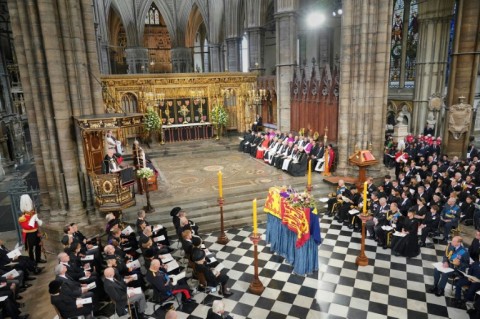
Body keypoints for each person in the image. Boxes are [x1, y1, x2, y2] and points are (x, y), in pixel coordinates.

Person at [18, 194, 46, 264]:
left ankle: (38, 258)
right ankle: (32, 261)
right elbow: (28, 227)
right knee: (30, 248)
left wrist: (37, 221)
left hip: (35, 232)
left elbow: (36, 224)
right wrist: (33, 219)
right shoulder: (22, 218)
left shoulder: (33, 213)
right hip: (29, 234)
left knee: (38, 245)